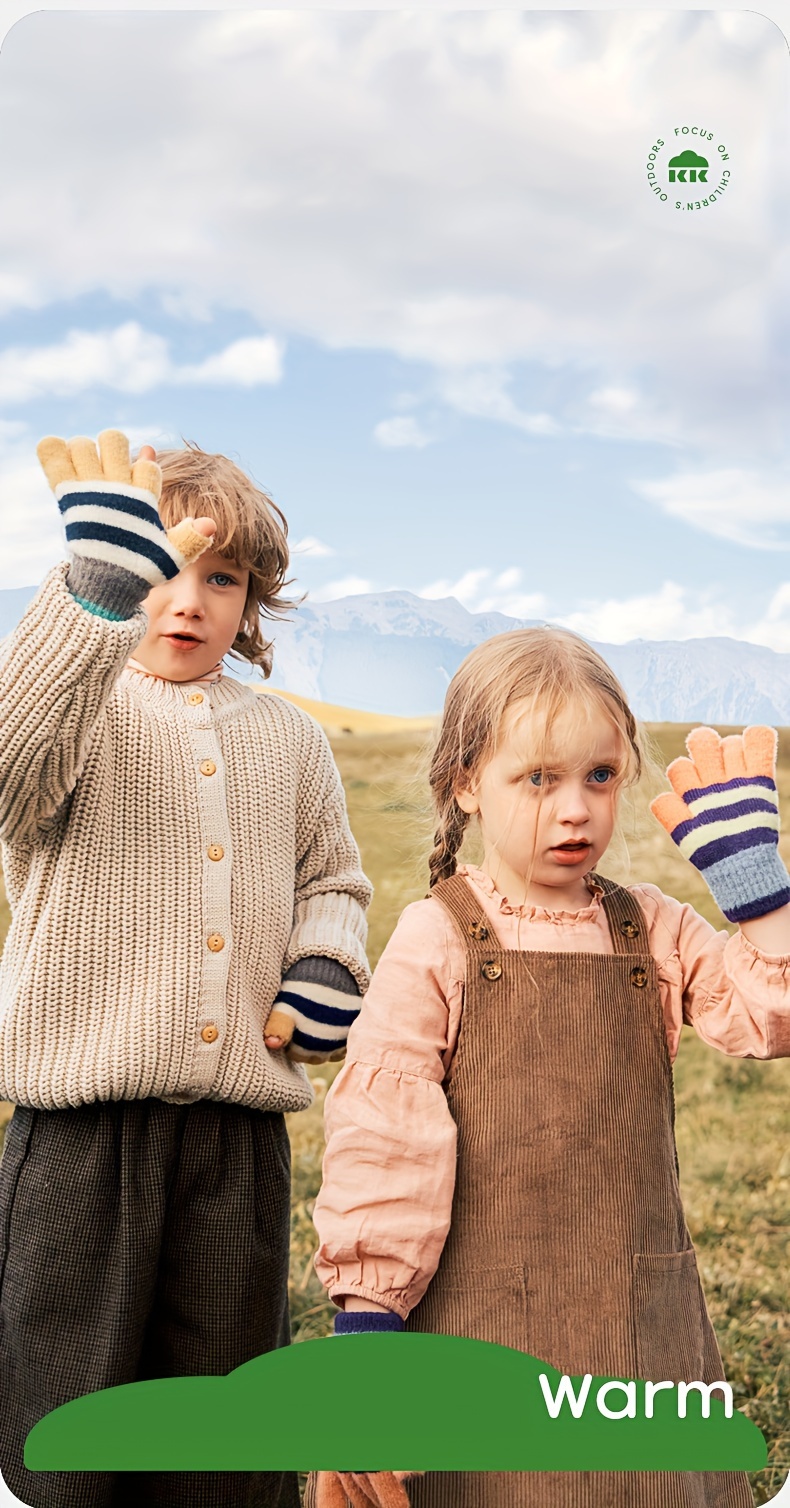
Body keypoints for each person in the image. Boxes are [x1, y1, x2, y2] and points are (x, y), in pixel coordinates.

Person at [308, 628, 790, 1508]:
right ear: (466, 785)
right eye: (539, 778)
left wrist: (764, 901)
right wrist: (371, 1317)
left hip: (636, 1323)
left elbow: (770, 1015)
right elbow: (387, 1134)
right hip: (480, 1322)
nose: (576, 809)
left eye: (599, 776)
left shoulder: (651, 928)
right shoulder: (439, 936)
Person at [0, 429, 372, 1508]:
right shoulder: (78, 714)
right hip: (83, 1139)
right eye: (157, 567)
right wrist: (89, 602)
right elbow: (10, 772)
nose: (188, 598)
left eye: (220, 575)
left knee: (228, 1423)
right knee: (61, 1423)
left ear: (251, 600)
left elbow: (335, 878)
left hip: (235, 1141)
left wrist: (324, 961)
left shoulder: (291, 740)